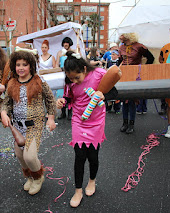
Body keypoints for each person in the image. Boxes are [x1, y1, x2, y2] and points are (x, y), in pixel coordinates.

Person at [1, 49, 56, 195]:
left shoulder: (39, 81)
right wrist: (3, 113)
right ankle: (30, 177)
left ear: (31, 65)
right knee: (20, 155)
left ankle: (38, 177)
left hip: (34, 125)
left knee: (30, 156)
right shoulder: (12, 83)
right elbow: (6, 102)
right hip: (18, 127)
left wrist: (50, 118)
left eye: (24, 64)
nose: (20, 68)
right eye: (18, 64)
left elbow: (50, 100)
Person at [56, 51, 106, 208]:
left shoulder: (99, 74)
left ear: (84, 69)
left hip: (96, 120)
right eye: (71, 78)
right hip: (79, 119)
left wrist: (104, 95)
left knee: (92, 155)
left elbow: (114, 90)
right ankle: (78, 190)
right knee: (79, 155)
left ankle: (92, 181)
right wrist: (62, 101)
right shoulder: (69, 81)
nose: (74, 81)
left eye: (76, 77)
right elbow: (69, 97)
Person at [118, 33, 154, 134]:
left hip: (135, 75)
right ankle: (125, 123)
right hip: (124, 75)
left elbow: (150, 58)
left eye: (123, 35)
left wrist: (143, 70)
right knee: (124, 99)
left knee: (132, 100)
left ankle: (131, 124)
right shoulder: (121, 47)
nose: (120, 36)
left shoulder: (139, 46)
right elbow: (120, 61)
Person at [56, 37, 75, 119]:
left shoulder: (74, 52)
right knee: (62, 94)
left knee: (71, 93)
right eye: (64, 43)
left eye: (67, 43)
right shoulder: (59, 53)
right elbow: (57, 64)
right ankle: (63, 112)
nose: (65, 44)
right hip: (62, 75)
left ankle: (70, 112)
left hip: (70, 75)